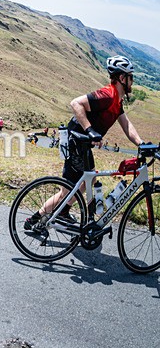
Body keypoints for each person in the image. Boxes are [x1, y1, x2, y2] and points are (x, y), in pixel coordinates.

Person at [25, 56, 144, 231]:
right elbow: (76, 103)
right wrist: (90, 130)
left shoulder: (117, 101)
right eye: (130, 77)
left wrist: (142, 143)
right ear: (122, 78)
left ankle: (63, 212)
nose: (132, 81)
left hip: (83, 145)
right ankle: (35, 220)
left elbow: (127, 126)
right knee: (68, 190)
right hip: (76, 142)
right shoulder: (107, 94)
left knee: (87, 181)